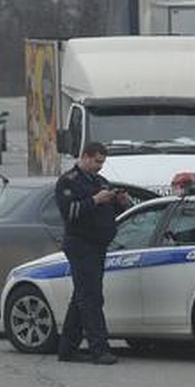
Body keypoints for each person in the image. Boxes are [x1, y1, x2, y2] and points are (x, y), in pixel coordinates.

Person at [55, 142, 130, 365]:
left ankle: (67, 349)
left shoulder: (100, 181)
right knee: (92, 297)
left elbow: (108, 211)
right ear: (85, 157)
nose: (100, 166)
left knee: (81, 296)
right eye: (97, 161)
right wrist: (95, 199)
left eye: (102, 162)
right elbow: (70, 212)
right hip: (81, 244)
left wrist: (119, 202)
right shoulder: (69, 181)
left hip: (98, 245)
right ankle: (99, 349)